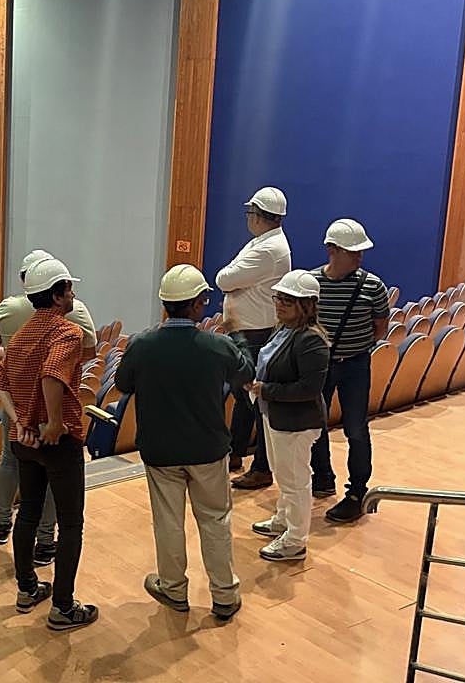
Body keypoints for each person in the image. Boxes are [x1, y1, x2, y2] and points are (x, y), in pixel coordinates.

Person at [115, 264, 253, 621]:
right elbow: (246, 374)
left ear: (165, 304)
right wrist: (238, 336)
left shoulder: (141, 345)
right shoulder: (217, 345)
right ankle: (224, 594)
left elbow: (123, 384)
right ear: (195, 304)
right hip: (208, 448)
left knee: (168, 522)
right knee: (215, 520)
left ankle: (173, 588)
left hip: (160, 450)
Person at [0, 257, 99, 632]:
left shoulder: (20, 335)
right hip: (58, 440)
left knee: (28, 513)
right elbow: (52, 375)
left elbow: (2, 386)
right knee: (70, 525)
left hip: (24, 439)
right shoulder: (67, 332)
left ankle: (27, 589)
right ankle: (63, 607)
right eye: (69, 289)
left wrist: (21, 421)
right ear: (56, 296)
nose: (73, 295)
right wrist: (54, 422)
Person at [310, 219, 390, 524]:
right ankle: (322, 477)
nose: (359, 256)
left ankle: (357, 492)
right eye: (352, 251)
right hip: (321, 364)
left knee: (356, 428)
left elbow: (380, 328)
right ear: (332, 250)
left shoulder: (373, 286)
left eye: (360, 251)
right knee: (315, 424)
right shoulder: (311, 283)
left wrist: (354, 348)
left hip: (356, 364)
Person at [247, 270, 330, 562]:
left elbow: (309, 388)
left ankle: (295, 540)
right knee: (282, 473)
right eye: (278, 298)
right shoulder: (283, 330)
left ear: (305, 305)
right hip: (275, 414)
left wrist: (265, 389)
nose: (279, 305)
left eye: (287, 300)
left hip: (297, 422)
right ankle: (283, 519)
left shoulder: (311, 341)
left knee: (295, 481)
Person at [216, 186, 291, 491]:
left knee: (255, 399)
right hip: (249, 329)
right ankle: (235, 452)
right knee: (243, 395)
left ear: (259, 216)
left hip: (255, 333)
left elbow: (224, 279)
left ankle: (261, 467)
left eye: (250, 212)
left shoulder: (267, 249)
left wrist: (231, 280)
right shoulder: (262, 242)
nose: (248, 217)